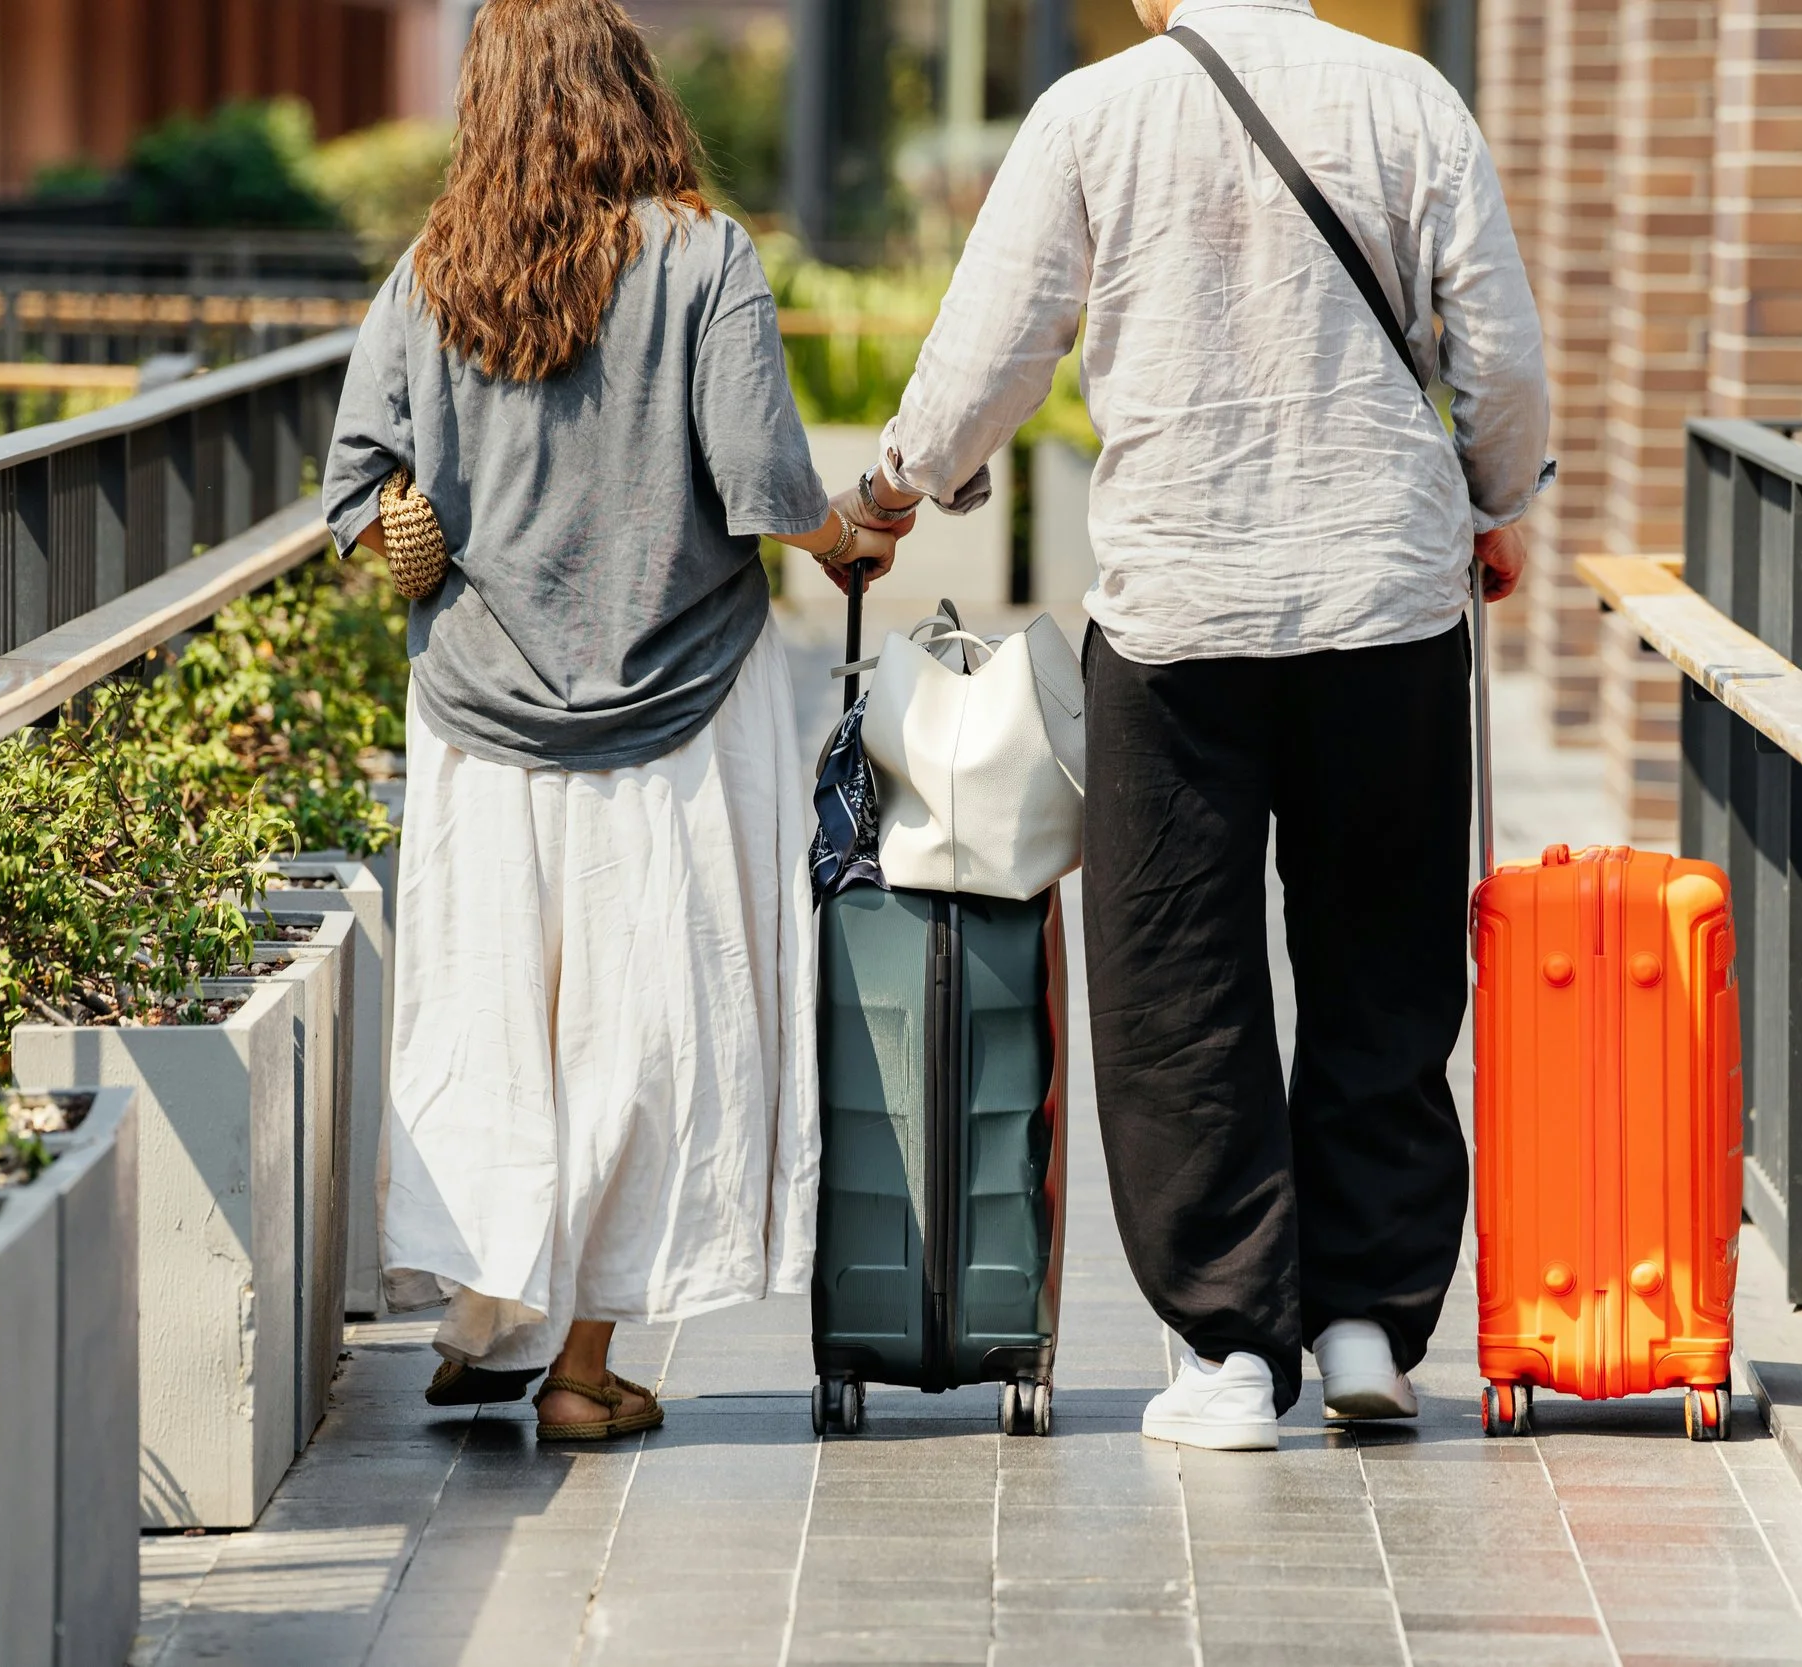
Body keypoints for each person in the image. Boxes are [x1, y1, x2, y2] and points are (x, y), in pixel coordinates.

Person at [839, 0, 1551, 1448]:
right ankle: (1364, 1322)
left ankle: (1228, 1348)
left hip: (1179, 611)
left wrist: (904, 484)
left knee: (1177, 975)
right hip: (1386, 603)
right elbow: (1502, 353)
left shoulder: (1096, 115)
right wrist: (1501, 498)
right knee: (1383, 962)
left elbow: (990, 348)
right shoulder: (1409, 98)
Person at [322, 0, 897, 1441]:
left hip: (478, 711)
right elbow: (762, 480)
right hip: (679, 708)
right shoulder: (706, 257)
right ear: (632, 87)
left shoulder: (431, 273)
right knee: (646, 1027)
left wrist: (419, 518)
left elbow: (353, 490)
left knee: (498, 1018)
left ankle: (484, 1313)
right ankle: (580, 1358)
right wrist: (846, 540)